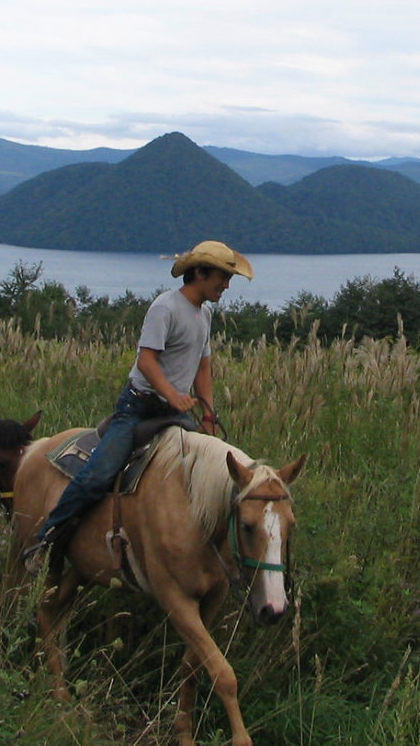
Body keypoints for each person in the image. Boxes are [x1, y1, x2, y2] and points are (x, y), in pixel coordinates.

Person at [23, 240, 252, 571]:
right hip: (139, 407)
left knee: (207, 475)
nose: (226, 285)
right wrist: (173, 395)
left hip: (173, 413)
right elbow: (146, 361)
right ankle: (45, 539)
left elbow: (204, 366)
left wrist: (207, 414)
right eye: (222, 277)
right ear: (199, 273)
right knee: (97, 476)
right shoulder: (165, 308)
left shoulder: (205, 313)